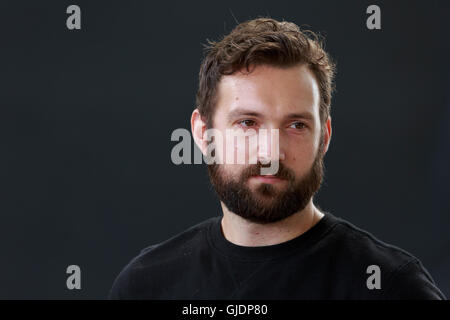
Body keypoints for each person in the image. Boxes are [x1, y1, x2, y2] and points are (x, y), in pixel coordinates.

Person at [108, 17, 446, 299]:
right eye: (248, 123)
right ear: (202, 134)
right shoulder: (146, 286)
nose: (270, 152)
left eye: (296, 125)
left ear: (324, 137)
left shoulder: (392, 288)